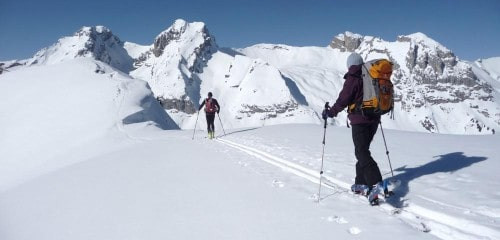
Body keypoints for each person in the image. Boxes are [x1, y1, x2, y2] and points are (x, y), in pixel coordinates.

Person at [322, 52, 383, 205]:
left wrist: (331, 112)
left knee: (361, 152)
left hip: (360, 120)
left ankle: (376, 184)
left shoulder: (353, 76)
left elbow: (344, 99)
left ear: (350, 65)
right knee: (362, 151)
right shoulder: (371, 74)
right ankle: (360, 184)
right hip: (374, 119)